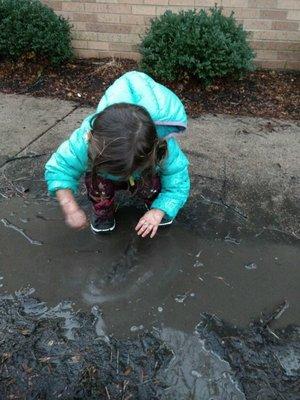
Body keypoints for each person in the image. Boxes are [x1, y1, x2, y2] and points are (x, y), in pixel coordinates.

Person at [45, 71, 190, 238]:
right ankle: (104, 210)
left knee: (152, 184)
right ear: (92, 141)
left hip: (143, 175)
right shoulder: (84, 141)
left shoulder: (162, 145)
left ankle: (154, 204)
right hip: (103, 176)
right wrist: (70, 207)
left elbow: (178, 181)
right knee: (98, 185)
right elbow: (59, 168)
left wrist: (160, 210)